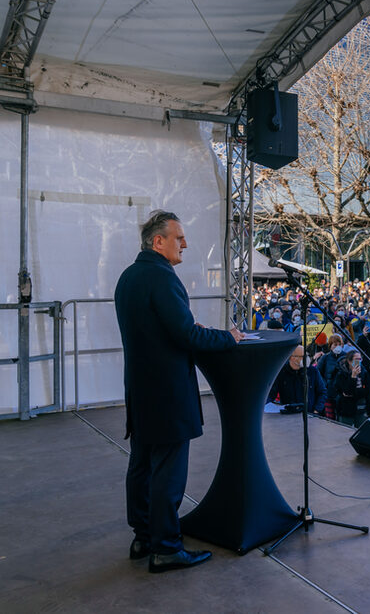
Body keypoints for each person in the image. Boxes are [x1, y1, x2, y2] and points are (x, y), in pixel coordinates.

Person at [115, 210, 243, 573]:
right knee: (167, 473)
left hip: (139, 390)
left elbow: (159, 329)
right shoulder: (163, 277)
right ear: (159, 241)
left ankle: (143, 537)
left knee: (141, 465)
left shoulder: (128, 278)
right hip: (168, 392)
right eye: (179, 237)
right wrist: (228, 337)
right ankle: (167, 547)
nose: (185, 243)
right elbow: (187, 335)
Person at [270, 345, 328, 414]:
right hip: (289, 417)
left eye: (306, 355)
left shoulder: (312, 371)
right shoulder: (281, 373)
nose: (306, 359)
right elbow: (271, 394)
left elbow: (322, 391)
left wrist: (316, 410)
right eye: (302, 356)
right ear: (292, 358)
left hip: (311, 416)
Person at [333, 350, 370, 427]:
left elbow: (368, 391)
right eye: (356, 359)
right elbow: (347, 391)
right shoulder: (341, 373)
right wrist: (353, 377)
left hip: (361, 408)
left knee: (361, 432)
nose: (358, 361)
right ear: (349, 361)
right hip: (346, 409)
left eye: (360, 359)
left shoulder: (364, 372)